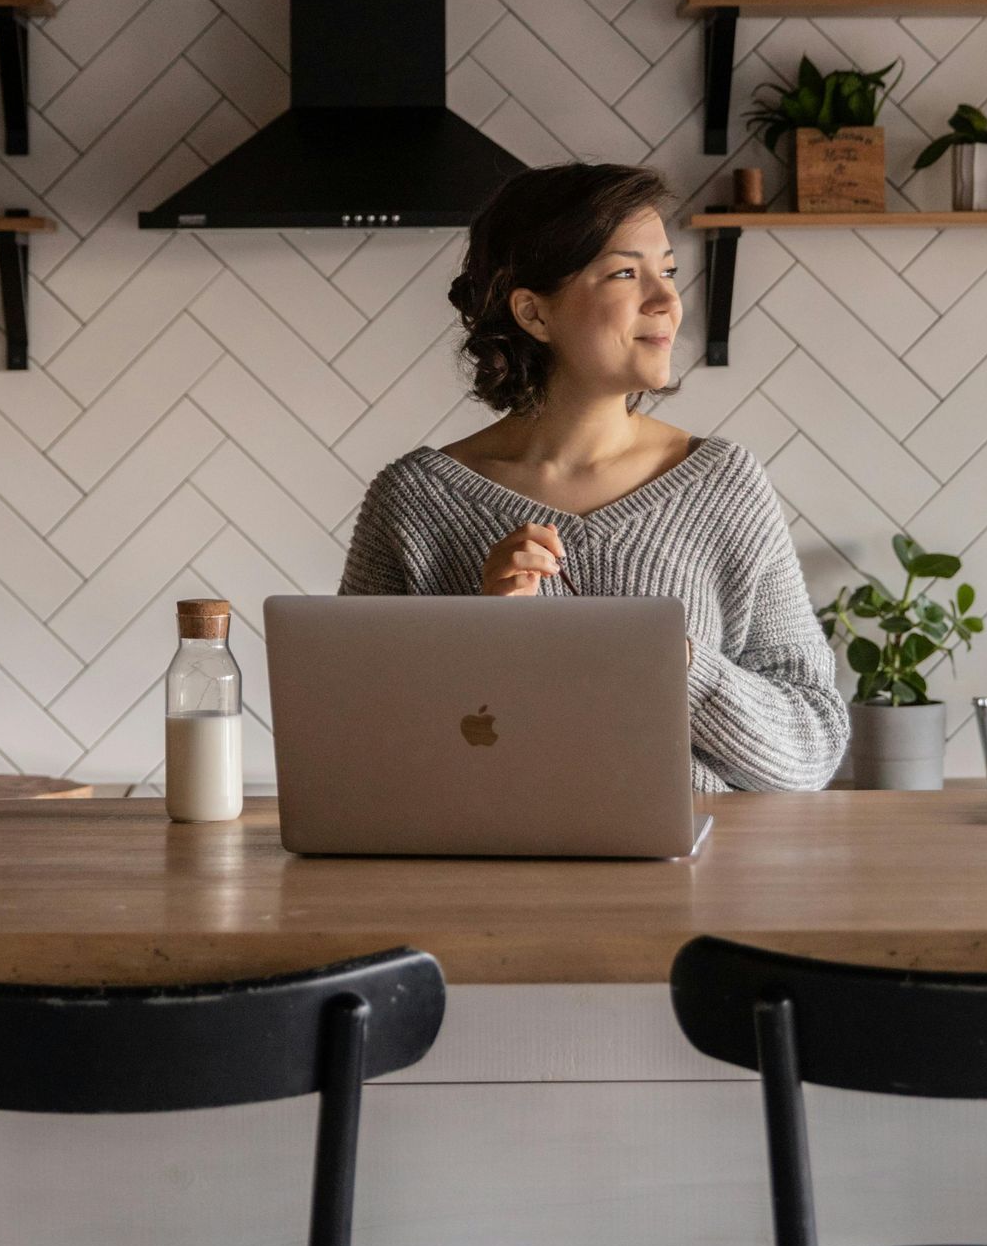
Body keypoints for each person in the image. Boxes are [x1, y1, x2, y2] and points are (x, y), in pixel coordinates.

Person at [340, 160, 849, 793]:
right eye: (625, 273)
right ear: (533, 312)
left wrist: (679, 663)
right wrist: (482, 638)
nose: (667, 300)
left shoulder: (723, 484)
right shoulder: (412, 502)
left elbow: (813, 747)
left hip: (695, 883)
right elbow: (352, 749)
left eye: (666, 270)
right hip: (482, 879)